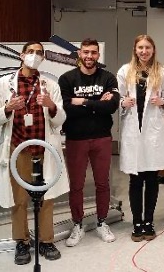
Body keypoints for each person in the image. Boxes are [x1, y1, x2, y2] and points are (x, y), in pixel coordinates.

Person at [0, 41, 69, 265]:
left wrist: (51, 105)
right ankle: (22, 242)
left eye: (39, 53)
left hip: (44, 150)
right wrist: (7, 108)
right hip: (17, 149)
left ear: (43, 58)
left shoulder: (49, 84)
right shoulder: (4, 84)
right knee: (19, 199)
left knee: (46, 198)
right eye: (31, 52)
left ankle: (45, 240)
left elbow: (60, 119)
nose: (34, 56)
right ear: (22, 55)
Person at [58, 38, 120, 247]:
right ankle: (78, 225)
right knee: (76, 185)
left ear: (98, 55)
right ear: (79, 54)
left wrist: (83, 101)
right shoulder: (67, 79)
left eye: (93, 52)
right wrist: (96, 104)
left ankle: (102, 222)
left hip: (102, 137)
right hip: (76, 139)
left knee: (103, 183)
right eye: (86, 52)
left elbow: (111, 106)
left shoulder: (108, 78)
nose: (89, 56)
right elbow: (66, 108)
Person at [117, 35, 164, 241]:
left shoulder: (162, 72)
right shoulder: (125, 71)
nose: (144, 51)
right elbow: (118, 98)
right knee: (135, 179)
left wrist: (162, 102)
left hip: (153, 133)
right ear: (135, 49)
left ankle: (148, 221)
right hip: (133, 130)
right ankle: (136, 223)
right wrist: (123, 103)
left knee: (151, 178)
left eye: (147, 47)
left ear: (153, 49)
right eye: (140, 47)